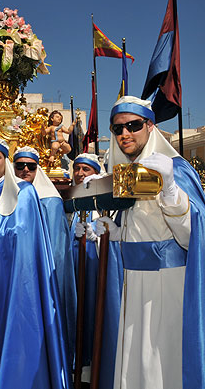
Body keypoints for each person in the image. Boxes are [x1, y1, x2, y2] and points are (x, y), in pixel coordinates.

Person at [101, 96, 205, 389]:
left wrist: (170, 188)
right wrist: (117, 231)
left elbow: (192, 235)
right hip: (133, 282)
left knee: (161, 364)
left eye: (133, 126)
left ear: (150, 126)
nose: (125, 134)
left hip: (166, 284)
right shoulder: (128, 172)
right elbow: (143, 225)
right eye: (118, 128)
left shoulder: (176, 168)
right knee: (135, 363)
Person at [0, 136, 71, 389]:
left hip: (13, 285)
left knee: (12, 346)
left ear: (6, 162)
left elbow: (21, 234)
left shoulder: (23, 192)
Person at [13, 146, 76, 368]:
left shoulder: (51, 200)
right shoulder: (7, 196)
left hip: (42, 277)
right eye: (20, 166)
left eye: (30, 166)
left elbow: (58, 249)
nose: (25, 170)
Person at [68, 153, 124, 389]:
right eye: (77, 169)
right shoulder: (72, 202)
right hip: (76, 275)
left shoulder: (103, 200)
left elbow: (116, 241)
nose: (80, 174)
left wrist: (97, 238)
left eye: (86, 169)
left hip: (97, 275)